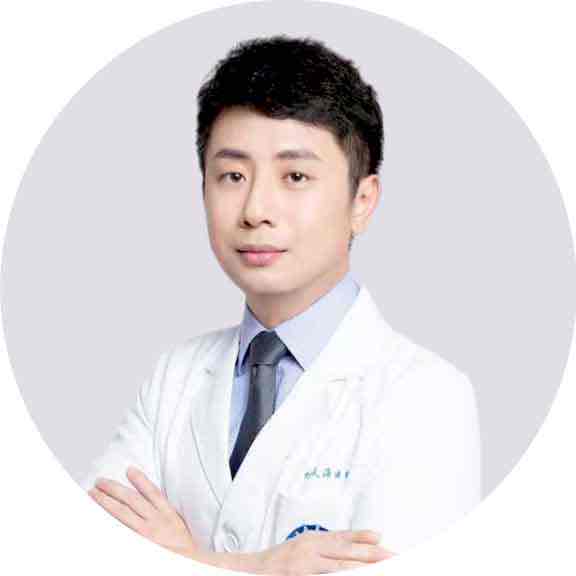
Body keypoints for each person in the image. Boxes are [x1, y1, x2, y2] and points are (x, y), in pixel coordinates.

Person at [82, 35, 481, 574]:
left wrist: (183, 556)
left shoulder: (426, 395)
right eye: (233, 176)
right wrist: (261, 567)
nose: (256, 209)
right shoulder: (173, 377)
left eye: (295, 176)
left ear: (362, 201)